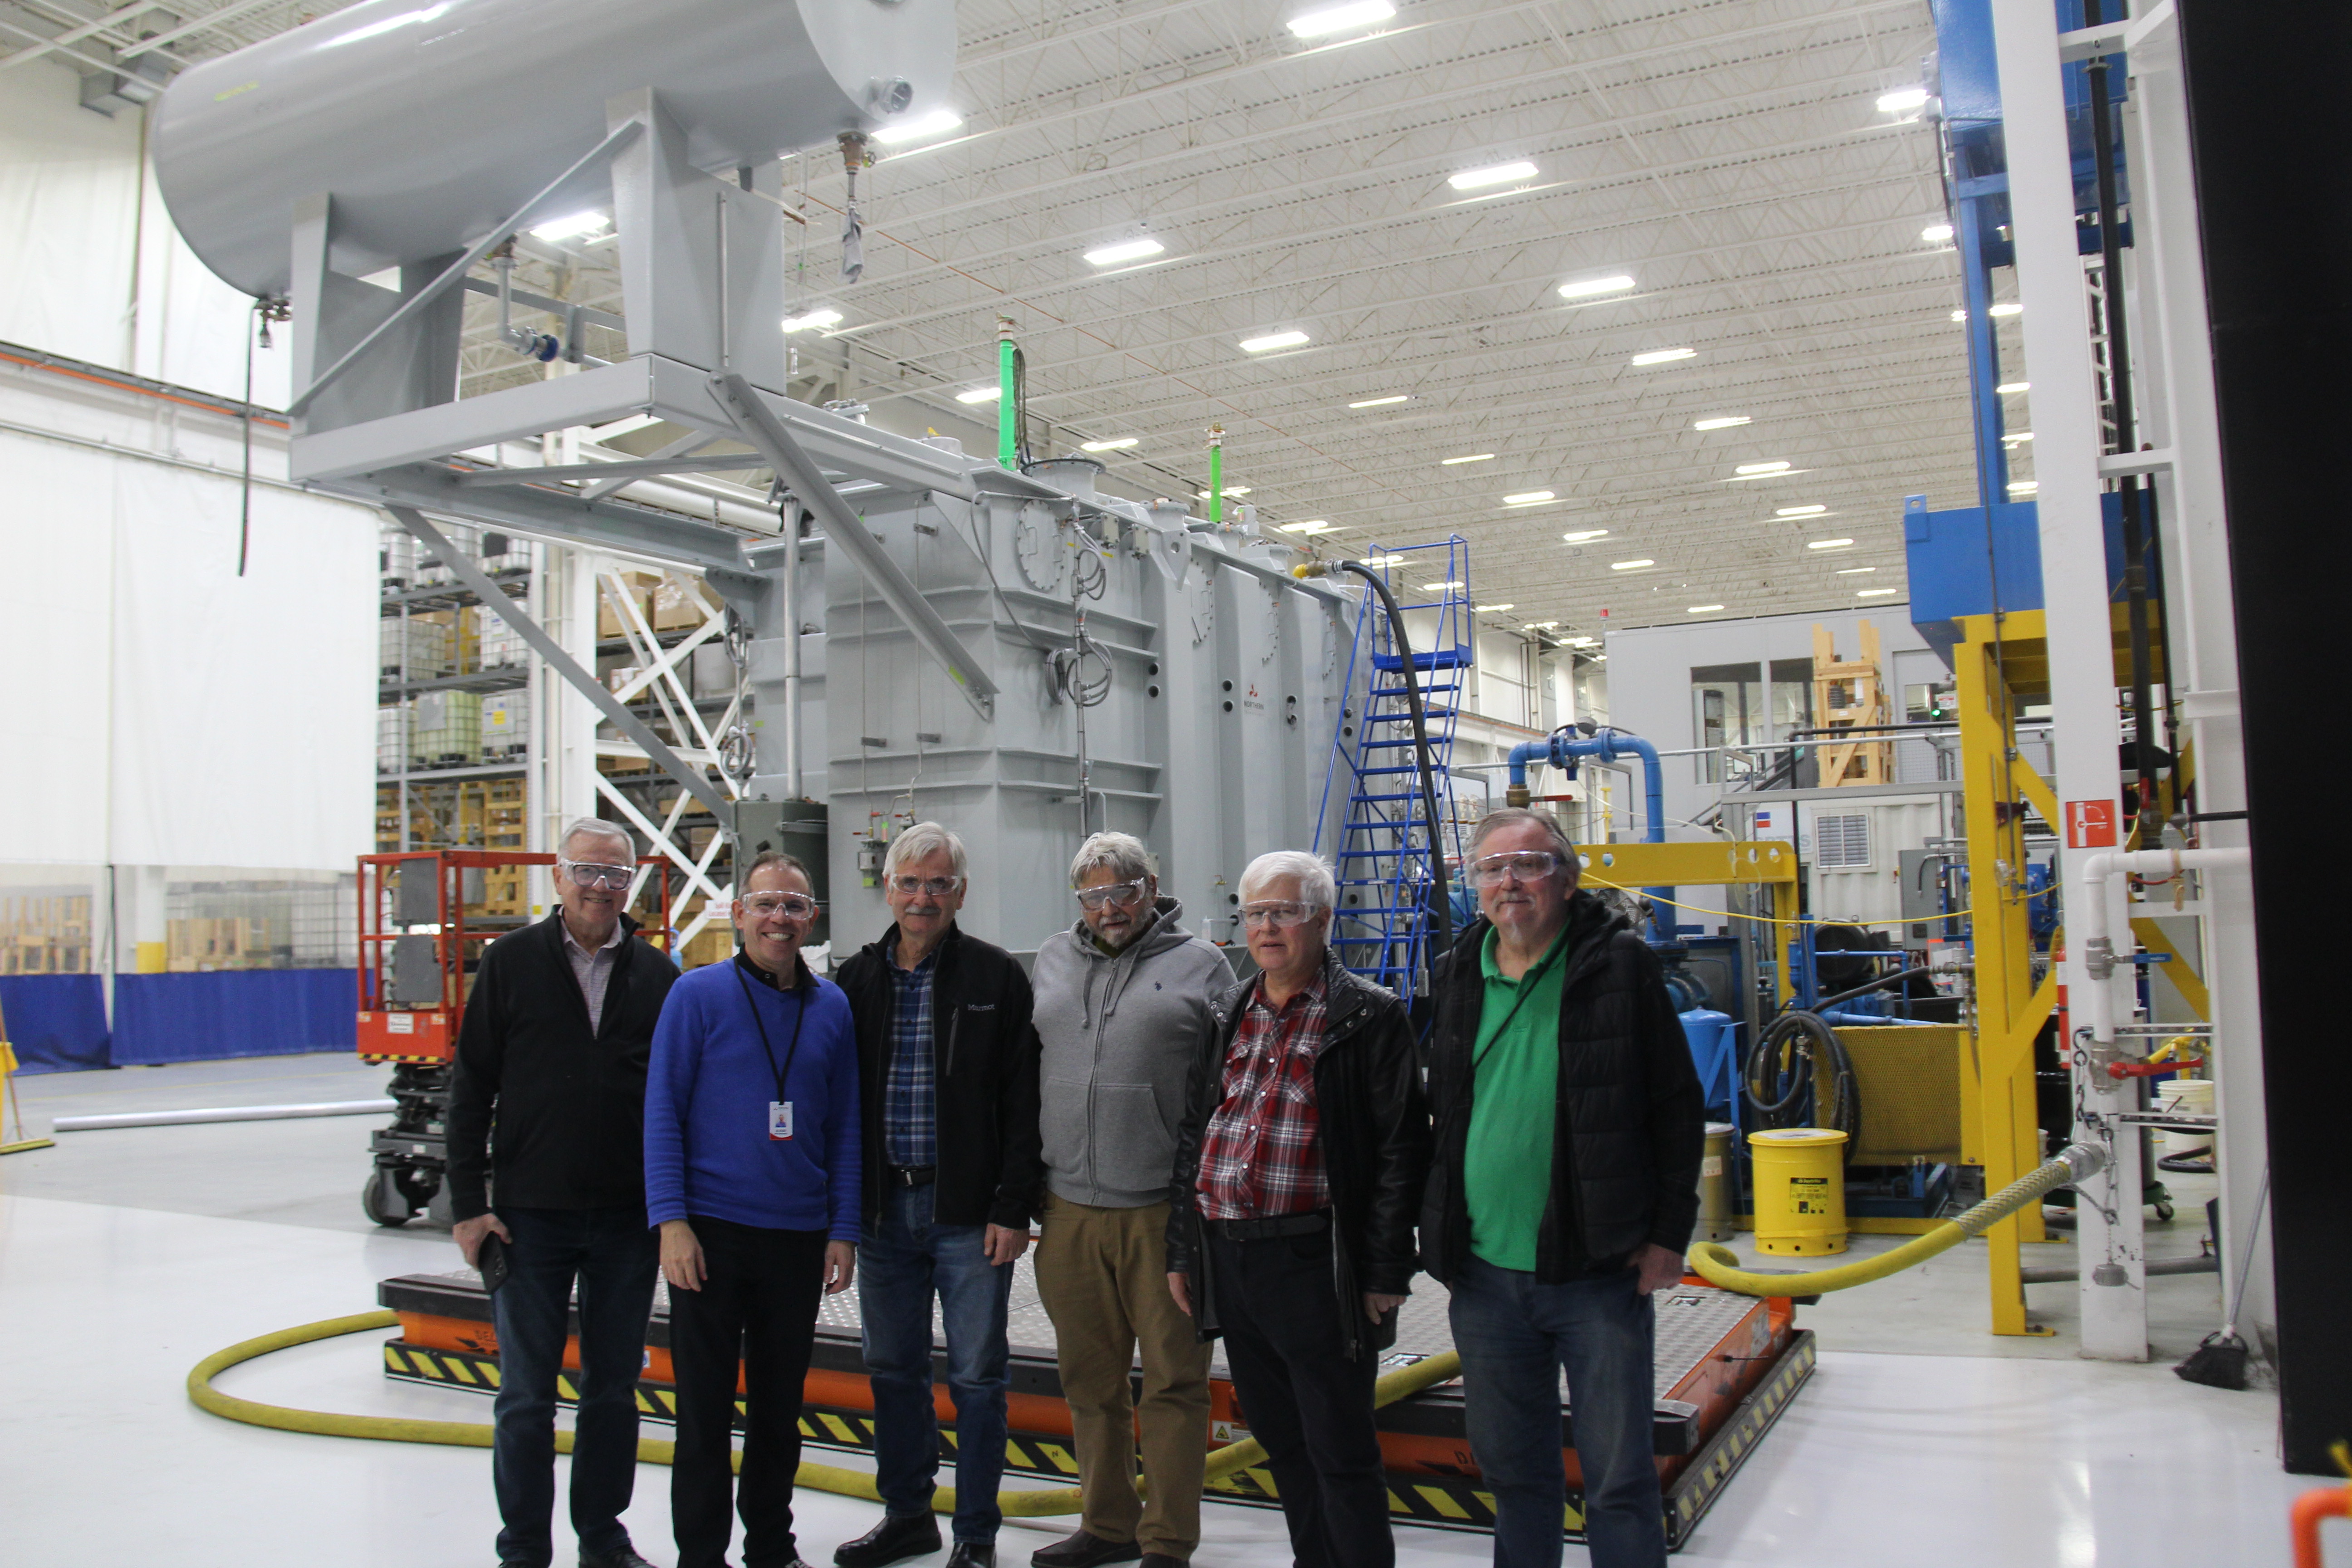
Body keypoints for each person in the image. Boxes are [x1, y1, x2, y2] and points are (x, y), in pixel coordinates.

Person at [1417, 808, 1705, 1568]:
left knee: (1618, 1481)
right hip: (1484, 1275)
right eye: (1492, 868)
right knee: (1515, 1476)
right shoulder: (1456, 970)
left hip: (1597, 1271)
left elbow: (1677, 1105)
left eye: (1530, 865)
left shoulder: (1621, 967)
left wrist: (1668, 1236)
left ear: (1568, 881)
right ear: (1474, 885)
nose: (1509, 882)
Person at [1163, 850, 1431, 1568]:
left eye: (1284, 912)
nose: (1267, 928)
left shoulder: (1367, 1016)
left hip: (1316, 1261)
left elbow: (1403, 1151)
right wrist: (1184, 1250)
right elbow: (1194, 1136)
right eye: (1255, 913)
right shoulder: (1228, 1011)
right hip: (1231, 1256)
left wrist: (1385, 1269)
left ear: (1322, 919)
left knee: (1340, 1451)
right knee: (1282, 1440)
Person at [448, 818, 679, 1568]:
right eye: (587, 871)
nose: (601, 887)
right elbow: (471, 1086)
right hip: (528, 1220)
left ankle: (602, 1539)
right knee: (525, 1396)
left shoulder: (658, 976)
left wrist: (671, 1211)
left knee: (612, 1390)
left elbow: (675, 1100)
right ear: (558, 876)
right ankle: (523, 1547)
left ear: (630, 885)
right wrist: (469, 1205)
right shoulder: (510, 962)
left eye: (616, 875)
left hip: (625, 1220)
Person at [833, 822, 1045, 1568]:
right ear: (888, 890)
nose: (923, 897)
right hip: (883, 1214)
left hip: (967, 1216)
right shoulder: (854, 982)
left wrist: (1012, 1207)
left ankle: (976, 1534)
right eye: (910, 883)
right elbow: (835, 1105)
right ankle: (908, 1517)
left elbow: (1023, 1101)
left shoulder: (996, 978)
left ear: (961, 893)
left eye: (939, 884)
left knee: (978, 1379)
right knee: (892, 1371)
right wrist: (842, 1217)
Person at [646, 850, 862, 1568]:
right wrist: (671, 1222)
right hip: (709, 1237)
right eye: (766, 904)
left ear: (812, 919)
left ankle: (772, 1547)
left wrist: (842, 1228)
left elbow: (844, 1124)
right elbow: (662, 1112)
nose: (779, 918)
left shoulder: (832, 1007)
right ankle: (701, 1556)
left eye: (794, 906)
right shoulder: (696, 996)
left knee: (778, 1413)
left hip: (796, 1239)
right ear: (739, 914)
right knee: (703, 1414)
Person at [1028, 833, 1229, 1568]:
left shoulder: (1203, 966)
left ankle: (1167, 1542)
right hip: (1068, 1211)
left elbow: (1225, 1088)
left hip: (1162, 1214)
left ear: (1151, 887)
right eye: (1094, 895)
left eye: (1124, 891)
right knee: (1090, 1381)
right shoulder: (1051, 959)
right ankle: (1107, 1524)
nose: (1110, 908)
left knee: (1174, 1383)